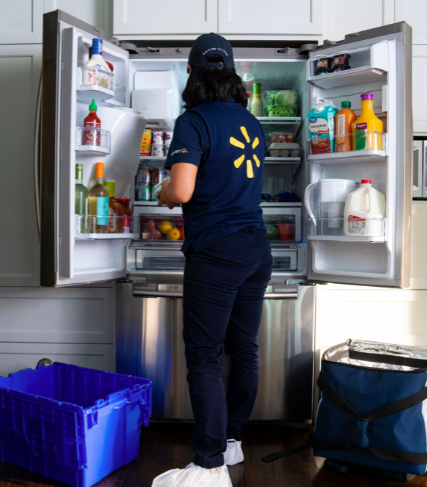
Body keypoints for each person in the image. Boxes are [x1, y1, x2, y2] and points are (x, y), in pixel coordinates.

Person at [152, 33, 272, 487]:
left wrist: (164, 193)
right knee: (243, 350)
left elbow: (182, 190)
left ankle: (208, 466)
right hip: (255, 247)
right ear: (232, 74)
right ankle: (232, 442)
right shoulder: (250, 122)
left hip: (217, 251)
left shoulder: (193, 121)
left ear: (191, 73)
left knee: (203, 357)